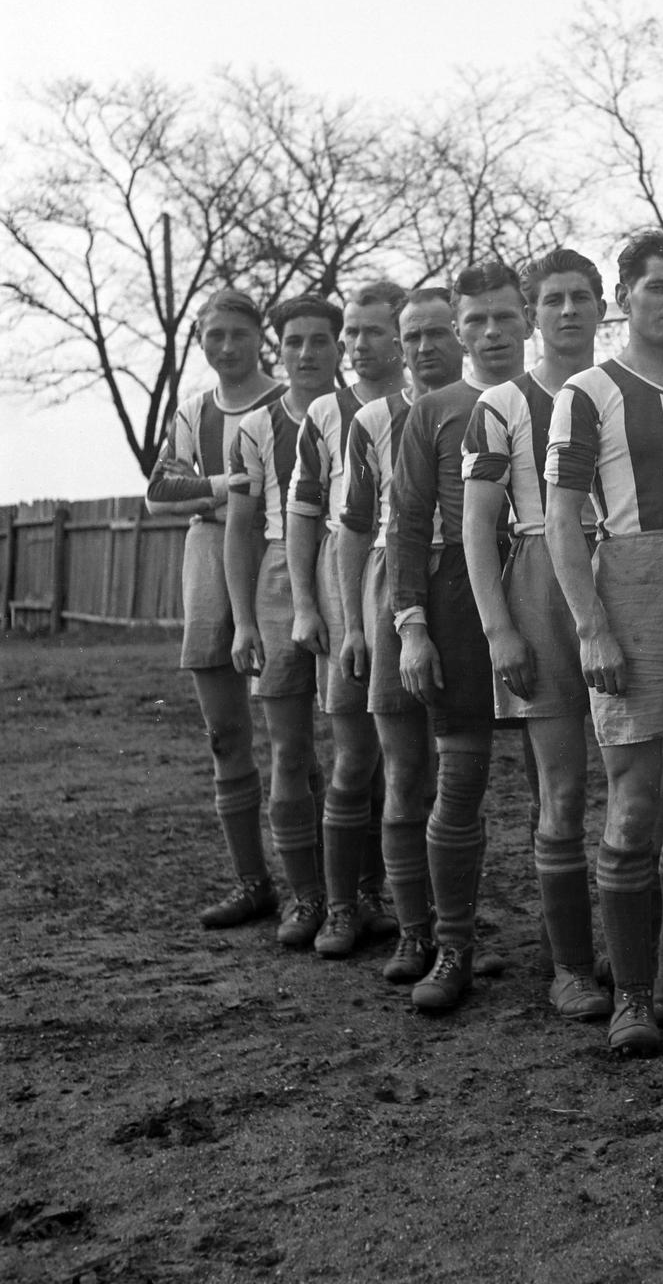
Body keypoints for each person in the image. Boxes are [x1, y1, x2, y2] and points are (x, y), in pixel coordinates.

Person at [544, 231, 663, 1056]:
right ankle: (627, 994)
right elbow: (560, 516)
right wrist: (592, 624)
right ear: (624, 295)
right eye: (657, 286)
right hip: (629, 583)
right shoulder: (589, 391)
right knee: (632, 804)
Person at [462, 247, 609, 1024]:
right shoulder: (506, 404)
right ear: (532, 311)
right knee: (563, 789)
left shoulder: (622, 389)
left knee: (639, 790)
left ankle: (633, 951)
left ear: (600, 304)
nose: (568, 311)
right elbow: (477, 530)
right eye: (552, 299)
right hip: (540, 586)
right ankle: (570, 965)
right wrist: (499, 631)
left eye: (581, 297)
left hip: (622, 575)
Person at [389, 259, 528, 1012]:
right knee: (460, 782)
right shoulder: (437, 407)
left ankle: (580, 953)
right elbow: (408, 523)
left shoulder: (561, 396)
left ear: (527, 318)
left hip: (544, 589)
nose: (490, 332)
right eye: (473, 321)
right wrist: (413, 628)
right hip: (457, 601)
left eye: (504, 316)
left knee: (559, 786)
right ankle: (453, 946)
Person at [334, 288, 464, 983]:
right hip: (396, 594)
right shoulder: (373, 420)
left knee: (467, 776)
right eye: (411, 337)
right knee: (405, 771)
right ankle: (415, 933)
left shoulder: (493, 405)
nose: (424, 348)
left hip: (475, 584)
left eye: (439, 332)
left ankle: (461, 931)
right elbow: (354, 530)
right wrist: (355, 623)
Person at [146, 288, 284, 929]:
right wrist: (227, 486)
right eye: (213, 336)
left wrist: (205, 496)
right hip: (207, 563)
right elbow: (158, 493)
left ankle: (322, 888)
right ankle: (252, 882)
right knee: (225, 733)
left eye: (237, 333)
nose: (226, 348)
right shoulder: (195, 409)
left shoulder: (286, 402)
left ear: (261, 336)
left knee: (296, 734)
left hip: (278, 552)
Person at [287, 281, 408, 958]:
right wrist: (307, 603)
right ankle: (339, 907)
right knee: (354, 752)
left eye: (373, 331)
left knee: (406, 758)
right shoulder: (326, 414)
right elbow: (304, 517)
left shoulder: (420, 406)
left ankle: (378, 895)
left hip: (410, 570)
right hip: (347, 577)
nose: (359, 344)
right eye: (352, 332)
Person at [224, 294, 345, 948]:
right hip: (278, 576)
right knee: (290, 749)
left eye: (318, 341)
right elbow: (240, 529)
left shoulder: (365, 413)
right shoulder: (258, 427)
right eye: (293, 342)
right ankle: (305, 896)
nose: (305, 354)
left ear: (339, 346)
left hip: (351, 566)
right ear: (280, 350)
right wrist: (244, 621)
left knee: (365, 749)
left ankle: (365, 891)